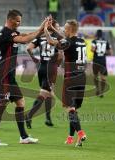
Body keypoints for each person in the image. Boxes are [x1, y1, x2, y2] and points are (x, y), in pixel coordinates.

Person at [0, 9, 46, 146]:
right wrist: (40, 29)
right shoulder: (6, 33)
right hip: (4, 73)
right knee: (2, 103)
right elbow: (25, 39)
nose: (19, 23)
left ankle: (23, 137)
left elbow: (27, 36)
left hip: (10, 74)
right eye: (18, 20)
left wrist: (42, 29)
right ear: (10, 19)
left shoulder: (12, 33)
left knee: (20, 102)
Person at [44, 18, 87, 147]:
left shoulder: (68, 42)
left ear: (69, 30)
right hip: (82, 78)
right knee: (74, 110)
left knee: (70, 109)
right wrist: (54, 29)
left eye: (65, 28)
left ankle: (80, 133)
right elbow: (65, 39)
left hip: (71, 78)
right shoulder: (82, 41)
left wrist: (46, 30)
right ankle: (71, 137)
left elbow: (52, 42)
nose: (63, 29)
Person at [25, 20, 63, 129]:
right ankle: (29, 115)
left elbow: (28, 48)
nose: (59, 28)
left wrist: (34, 58)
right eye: (58, 26)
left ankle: (48, 118)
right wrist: (58, 65)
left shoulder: (40, 37)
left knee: (50, 94)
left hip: (41, 67)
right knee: (44, 94)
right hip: (51, 69)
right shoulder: (57, 39)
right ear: (53, 28)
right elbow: (60, 56)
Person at [91, 29, 112, 98]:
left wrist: (96, 50)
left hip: (96, 60)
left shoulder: (94, 41)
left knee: (95, 76)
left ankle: (97, 90)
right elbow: (110, 52)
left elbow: (92, 49)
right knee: (103, 77)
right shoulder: (106, 41)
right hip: (103, 61)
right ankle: (102, 91)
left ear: (96, 34)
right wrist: (103, 52)